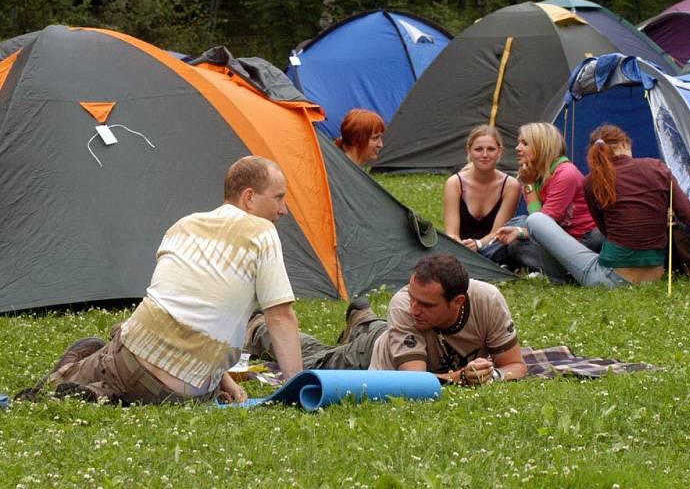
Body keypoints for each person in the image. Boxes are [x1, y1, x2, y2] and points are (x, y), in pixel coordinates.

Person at [17, 156, 303, 405]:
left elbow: (183, 313)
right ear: (249, 197)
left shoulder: (183, 226)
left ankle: (73, 380)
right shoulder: (262, 233)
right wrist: (297, 390)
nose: (284, 210)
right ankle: (94, 389)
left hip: (131, 363)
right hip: (184, 394)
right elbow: (280, 317)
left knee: (109, 354)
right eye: (278, 197)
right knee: (116, 361)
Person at [246, 254, 528, 385]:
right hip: (372, 354)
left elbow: (516, 365)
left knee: (385, 328)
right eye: (412, 296)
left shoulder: (488, 300)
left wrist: (492, 376)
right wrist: (461, 379)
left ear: (458, 302)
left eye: (426, 304)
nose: (414, 307)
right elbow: (413, 382)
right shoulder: (404, 304)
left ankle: (363, 320)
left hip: (392, 334)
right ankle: (259, 328)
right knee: (316, 360)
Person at [525, 124, 690, 288]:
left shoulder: (591, 181)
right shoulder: (657, 168)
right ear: (625, 144)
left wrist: (528, 186)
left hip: (610, 279)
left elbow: (605, 231)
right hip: (655, 276)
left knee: (535, 220)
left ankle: (557, 277)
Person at [493, 123, 602, 276]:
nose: (517, 148)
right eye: (519, 142)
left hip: (583, 240)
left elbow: (541, 225)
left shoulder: (565, 174)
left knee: (517, 238)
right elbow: (537, 223)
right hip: (559, 236)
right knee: (516, 226)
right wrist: (518, 231)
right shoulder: (533, 172)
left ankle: (564, 273)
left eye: (524, 143)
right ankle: (496, 259)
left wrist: (529, 185)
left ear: (542, 146)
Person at [443, 125, 520, 258]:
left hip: (494, 248)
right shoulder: (455, 183)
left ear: (499, 152)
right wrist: (460, 246)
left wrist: (478, 244)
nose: (485, 155)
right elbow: (452, 233)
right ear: (469, 151)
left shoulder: (510, 185)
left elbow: (499, 233)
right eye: (478, 149)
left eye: (491, 149)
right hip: (460, 249)